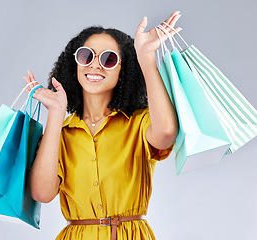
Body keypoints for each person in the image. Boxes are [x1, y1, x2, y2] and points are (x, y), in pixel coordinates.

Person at [23, 11, 181, 240]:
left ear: (123, 70)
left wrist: (146, 57)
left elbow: (166, 133)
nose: (95, 66)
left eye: (109, 59)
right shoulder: (62, 134)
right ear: (75, 65)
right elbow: (42, 193)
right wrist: (56, 114)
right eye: (87, 56)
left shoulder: (138, 123)